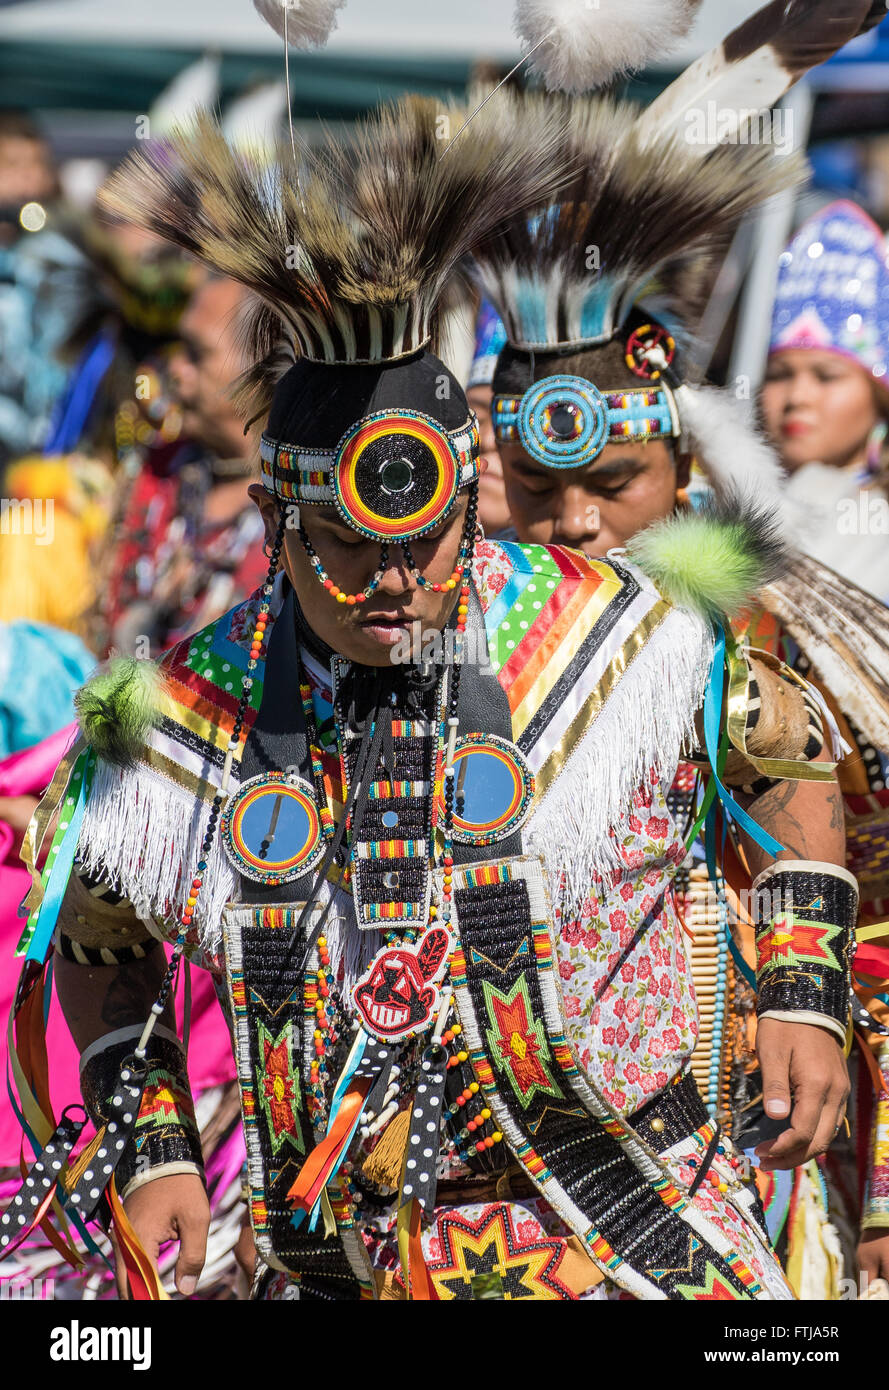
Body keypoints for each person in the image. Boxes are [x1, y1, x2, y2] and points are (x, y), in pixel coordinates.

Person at [3, 79, 855, 1302]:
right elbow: (97, 924)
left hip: (634, 1223)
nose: (393, 584)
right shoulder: (185, 711)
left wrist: (804, 988)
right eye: (347, 554)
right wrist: (148, 1144)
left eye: (427, 542)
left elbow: (783, 762)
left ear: (464, 500)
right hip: (344, 1254)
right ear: (277, 523)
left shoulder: (632, 635)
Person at [762, 200, 889, 604]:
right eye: (779, 375)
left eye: (827, 376)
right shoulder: (714, 501)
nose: (797, 397)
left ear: (878, 394)